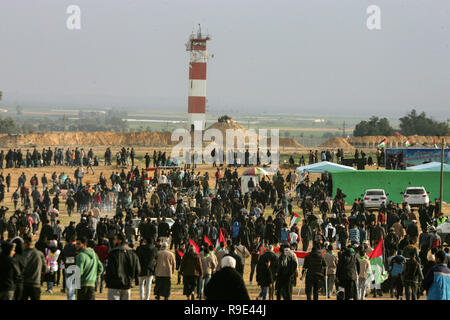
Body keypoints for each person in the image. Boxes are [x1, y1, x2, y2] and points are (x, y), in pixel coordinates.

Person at [105, 233, 141, 300]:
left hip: (114, 284)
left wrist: (107, 280)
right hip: (127, 284)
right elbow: (138, 269)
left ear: (119, 241)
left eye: (115, 239)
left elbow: (110, 269)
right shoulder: (132, 253)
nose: (113, 241)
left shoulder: (113, 253)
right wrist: (134, 279)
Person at [22, 235, 47, 300]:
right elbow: (45, 269)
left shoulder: (22, 254)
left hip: (24, 283)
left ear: (25, 243)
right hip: (35, 283)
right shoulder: (40, 254)